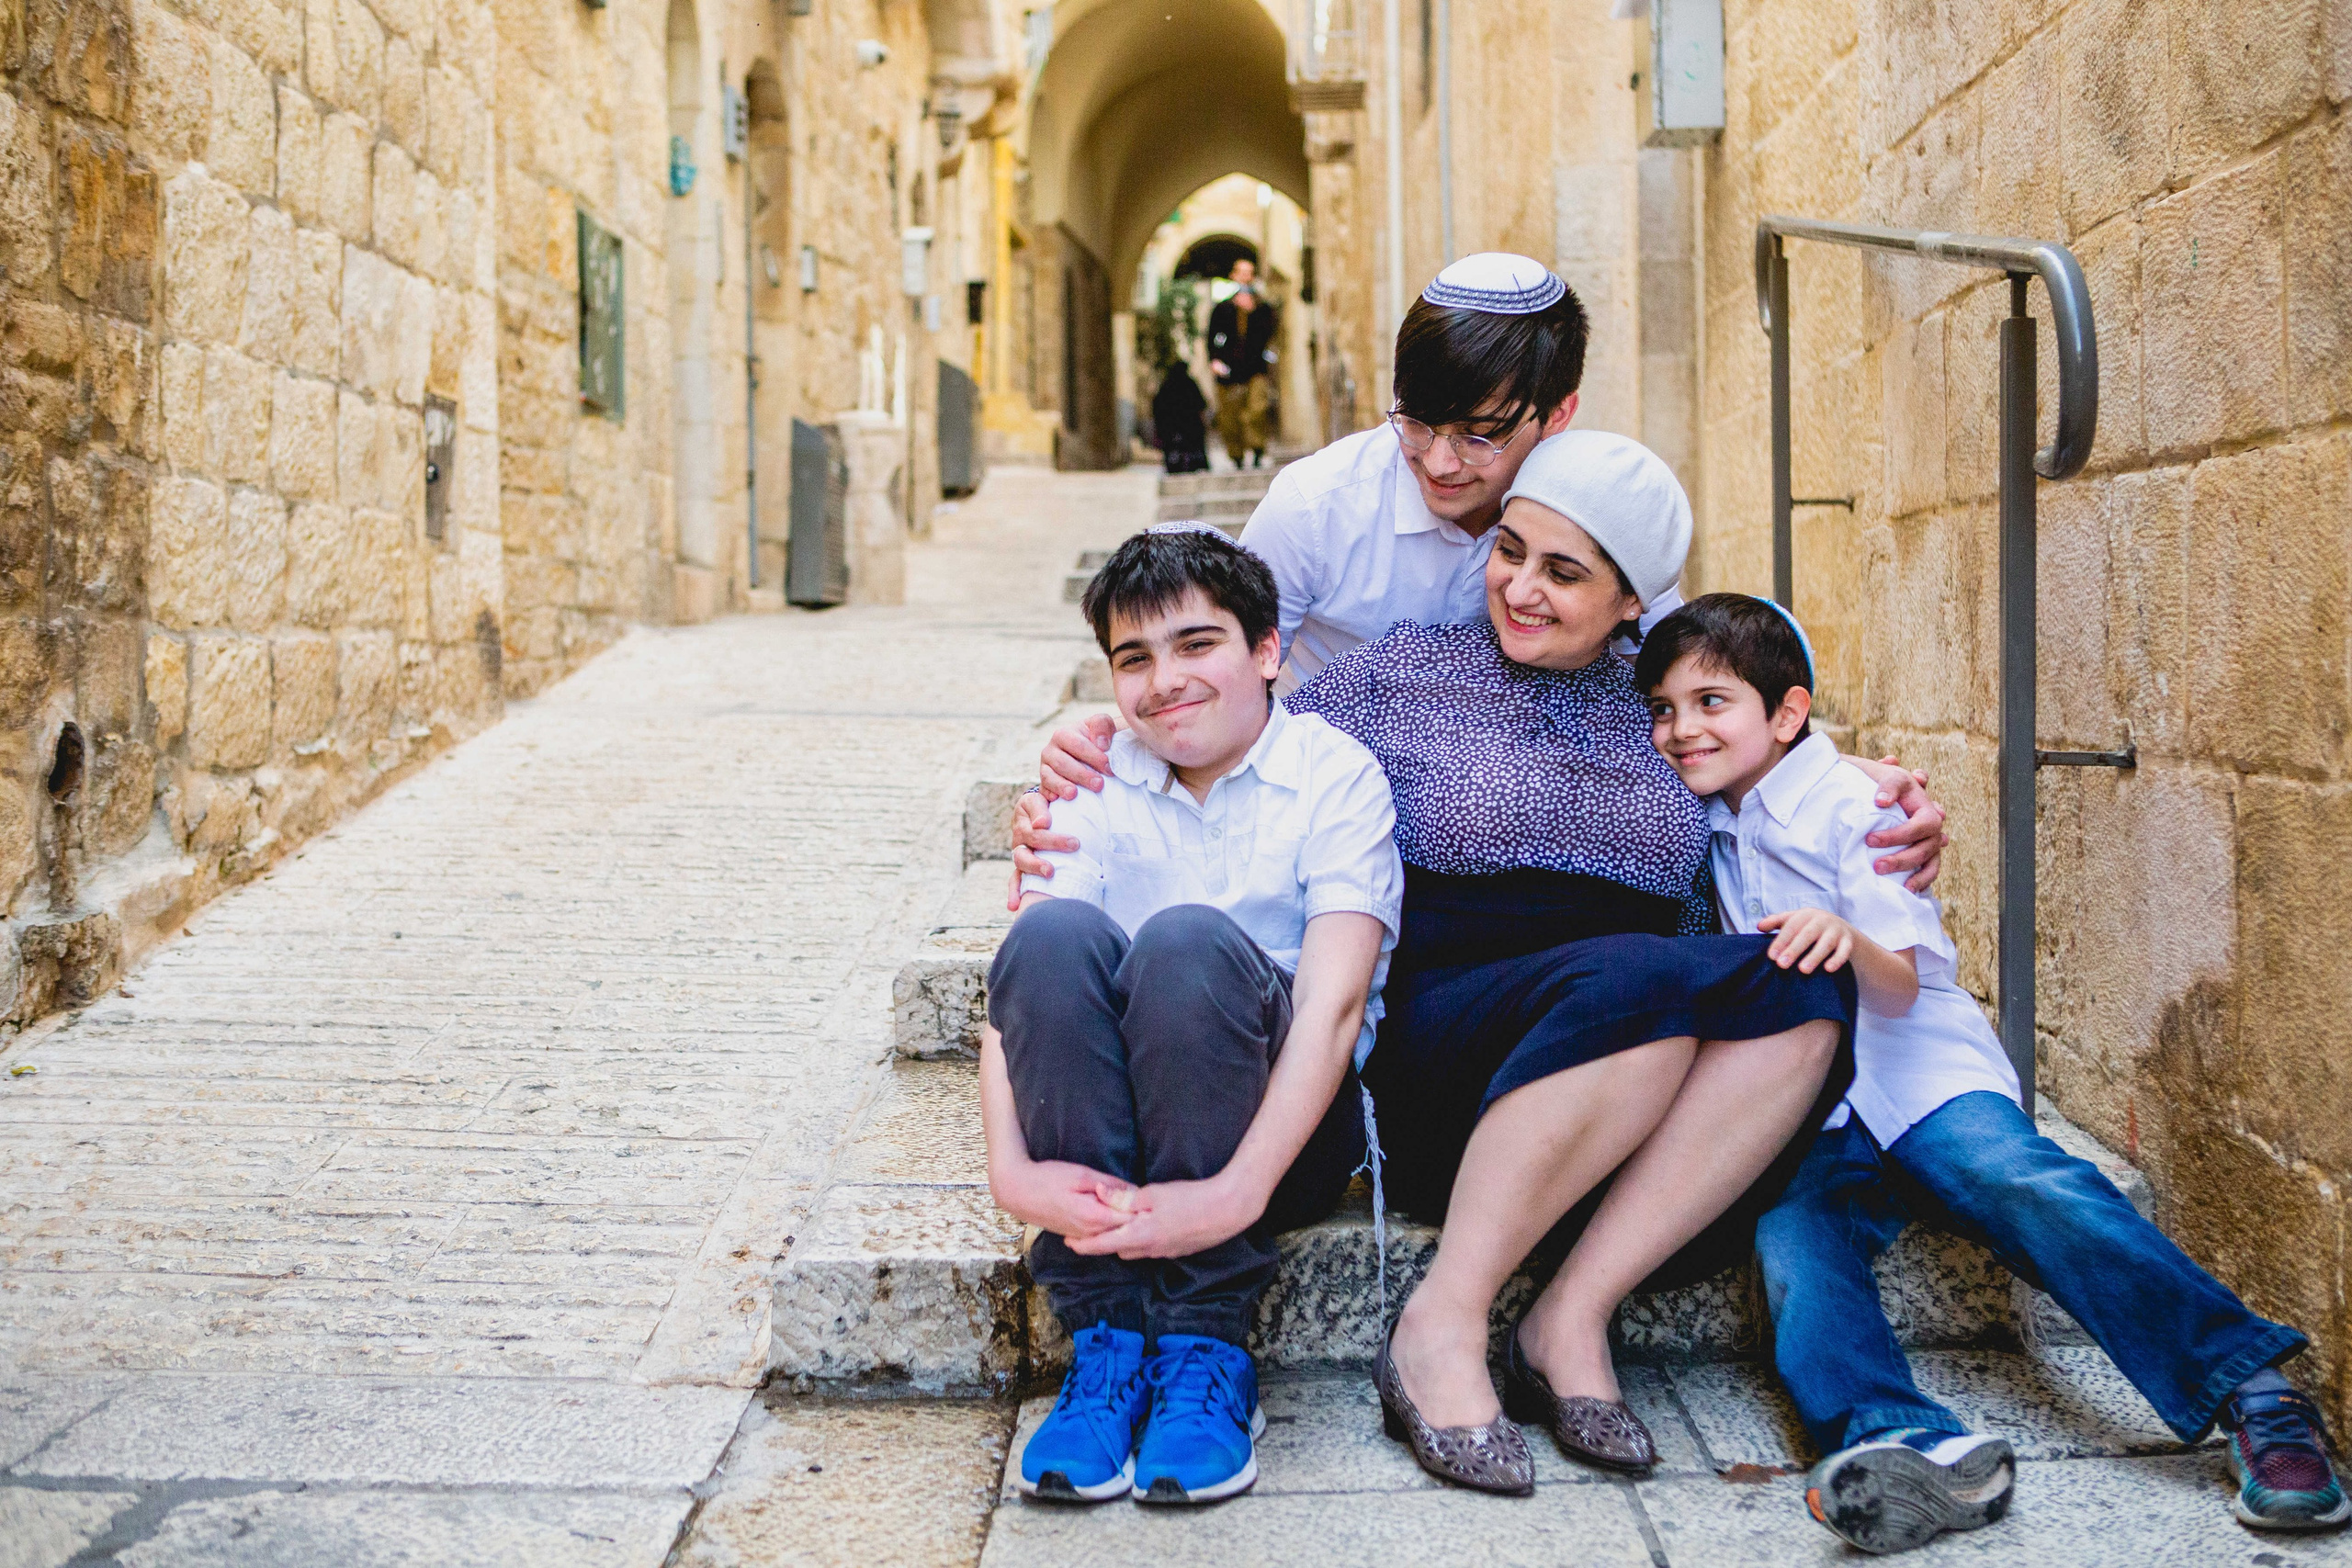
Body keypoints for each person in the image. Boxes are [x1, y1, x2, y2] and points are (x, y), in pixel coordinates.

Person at [1636, 592, 2349, 1553]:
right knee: (1795, 1251)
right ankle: (1900, 1444)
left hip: (1917, 1071)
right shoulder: (1703, 823)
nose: (1681, 729)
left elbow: (1896, 988)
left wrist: (1844, 938)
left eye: (1711, 702)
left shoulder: (1856, 805)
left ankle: (2253, 1392)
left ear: (1787, 712)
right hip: (1806, 1104)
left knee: (2020, 1180)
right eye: (1665, 709)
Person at [1275, 432, 1855, 1494]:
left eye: (1563, 570)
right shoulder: (1407, 671)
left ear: (1633, 600)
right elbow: (1247, 748)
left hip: (1630, 1079)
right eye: (1509, 551)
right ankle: (1439, 1325)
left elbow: (1799, 776)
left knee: (1809, 982)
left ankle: (1569, 1315)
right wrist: (1099, 757)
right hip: (1446, 1048)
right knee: (1637, 985)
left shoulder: (1671, 703)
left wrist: (1888, 808)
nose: (1519, 588)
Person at [1017, 254, 1950, 900]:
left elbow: (1690, 681)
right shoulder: (1317, 506)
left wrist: (1832, 784)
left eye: (1480, 432)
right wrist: (1109, 744)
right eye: (1416, 421)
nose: (1438, 460)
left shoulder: (1588, 508)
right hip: (1340, 814)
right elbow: (1210, 651)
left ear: (1559, 412)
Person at [982, 525, 1403, 1506]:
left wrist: (1236, 1192)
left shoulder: (1336, 777)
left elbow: (1336, 1007)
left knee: (1184, 943)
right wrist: (1011, 1169)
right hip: (1116, 1131)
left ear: (1266, 651)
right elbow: (1023, 997)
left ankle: (1206, 1352)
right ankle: (1108, 1349)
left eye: (1195, 644)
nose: (1164, 680)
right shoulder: (1092, 784)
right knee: (1044, 942)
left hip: (1280, 1136)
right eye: (1134, 659)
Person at [1207, 259, 1278, 468]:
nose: (1246, 277)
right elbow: (1213, 336)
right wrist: (1215, 360)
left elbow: (1270, 332)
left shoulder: (1262, 307)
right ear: (1234, 276)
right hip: (1230, 371)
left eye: (1250, 273)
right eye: (1242, 273)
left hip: (1256, 368)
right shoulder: (1223, 308)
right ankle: (1236, 455)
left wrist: (1253, 311)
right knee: (1230, 417)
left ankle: (1257, 449)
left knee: (1256, 410)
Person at [1150, 359, 1210, 474]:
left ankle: (1177, 464)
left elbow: (1157, 408)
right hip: (1189, 425)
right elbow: (1200, 404)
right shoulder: (1189, 383)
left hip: (1173, 426)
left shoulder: (1166, 385)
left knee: (1175, 450)